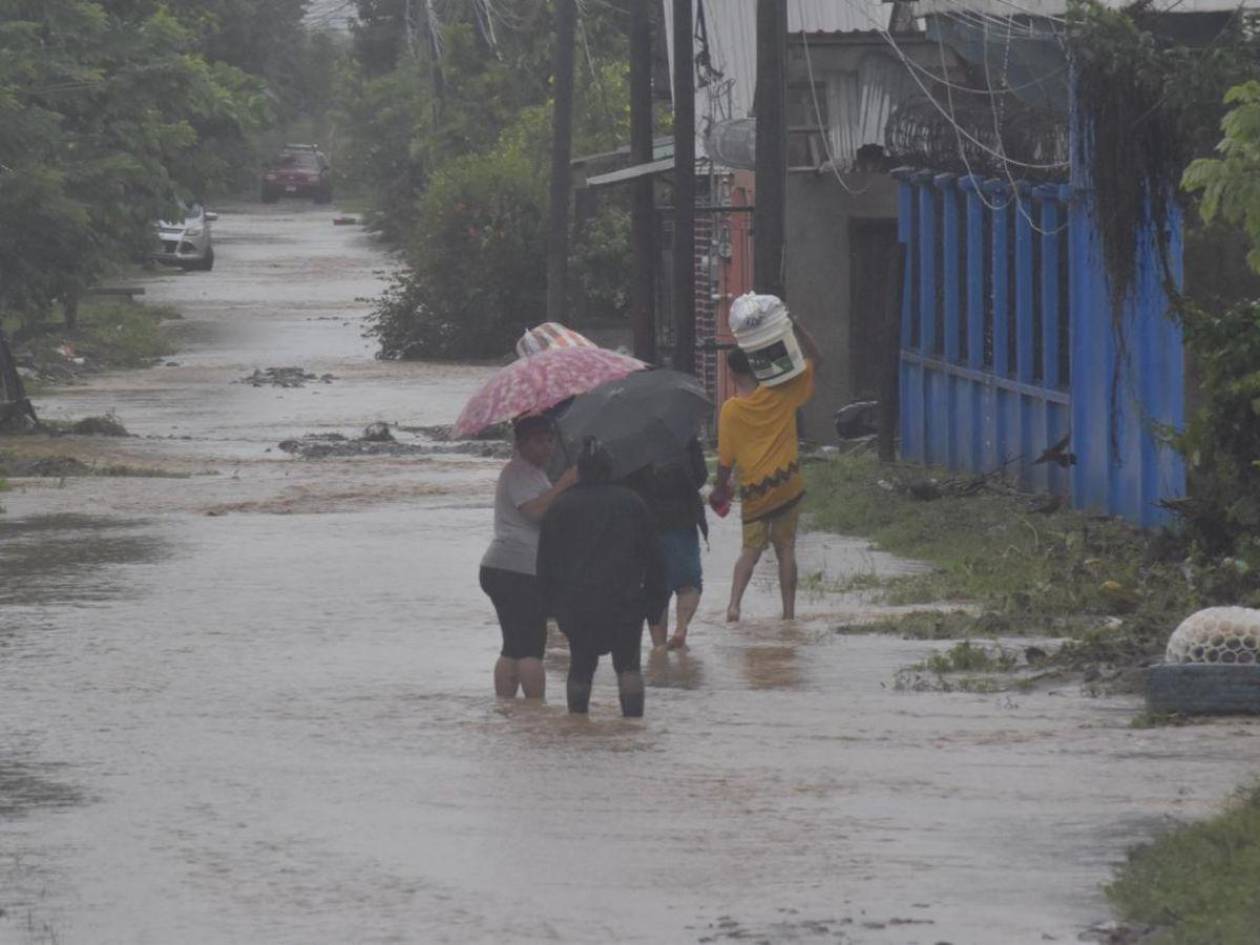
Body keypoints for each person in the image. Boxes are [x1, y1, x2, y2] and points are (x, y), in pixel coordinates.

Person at [537, 439, 667, 717]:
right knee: (629, 667)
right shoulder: (633, 503)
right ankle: (632, 727)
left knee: (581, 665)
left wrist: (551, 609)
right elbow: (655, 560)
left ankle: (578, 724)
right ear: (611, 470)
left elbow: (546, 563)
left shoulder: (560, 507)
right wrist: (654, 607)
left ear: (579, 472)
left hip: (577, 604)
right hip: (625, 601)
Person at [709, 317, 822, 623]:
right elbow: (816, 359)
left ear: (732, 373)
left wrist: (719, 489)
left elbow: (725, 461)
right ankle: (788, 614)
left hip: (756, 490)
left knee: (750, 549)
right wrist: (796, 327)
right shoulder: (781, 392)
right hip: (788, 483)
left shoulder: (731, 410)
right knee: (786, 548)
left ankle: (733, 606)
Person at [479, 416, 577, 700]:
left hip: (505, 566)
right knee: (532, 648)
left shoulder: (533, 472)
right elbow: (533, 511)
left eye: (549, 440)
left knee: (513, 645)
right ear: (519, 444)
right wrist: (565, 483)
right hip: (517, 568)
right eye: (537, 441)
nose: (546, 447)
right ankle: (536, 713)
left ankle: (507, 709)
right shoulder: (519, 471)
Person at [626, 438, 708, 650]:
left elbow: (625, 483)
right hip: (682, 520)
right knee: (689, 583)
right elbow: (700, 475)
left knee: (655, 589)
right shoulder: (681, 432)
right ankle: (681, 629)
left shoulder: (628, 440)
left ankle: (659, 646)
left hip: (647, 523)